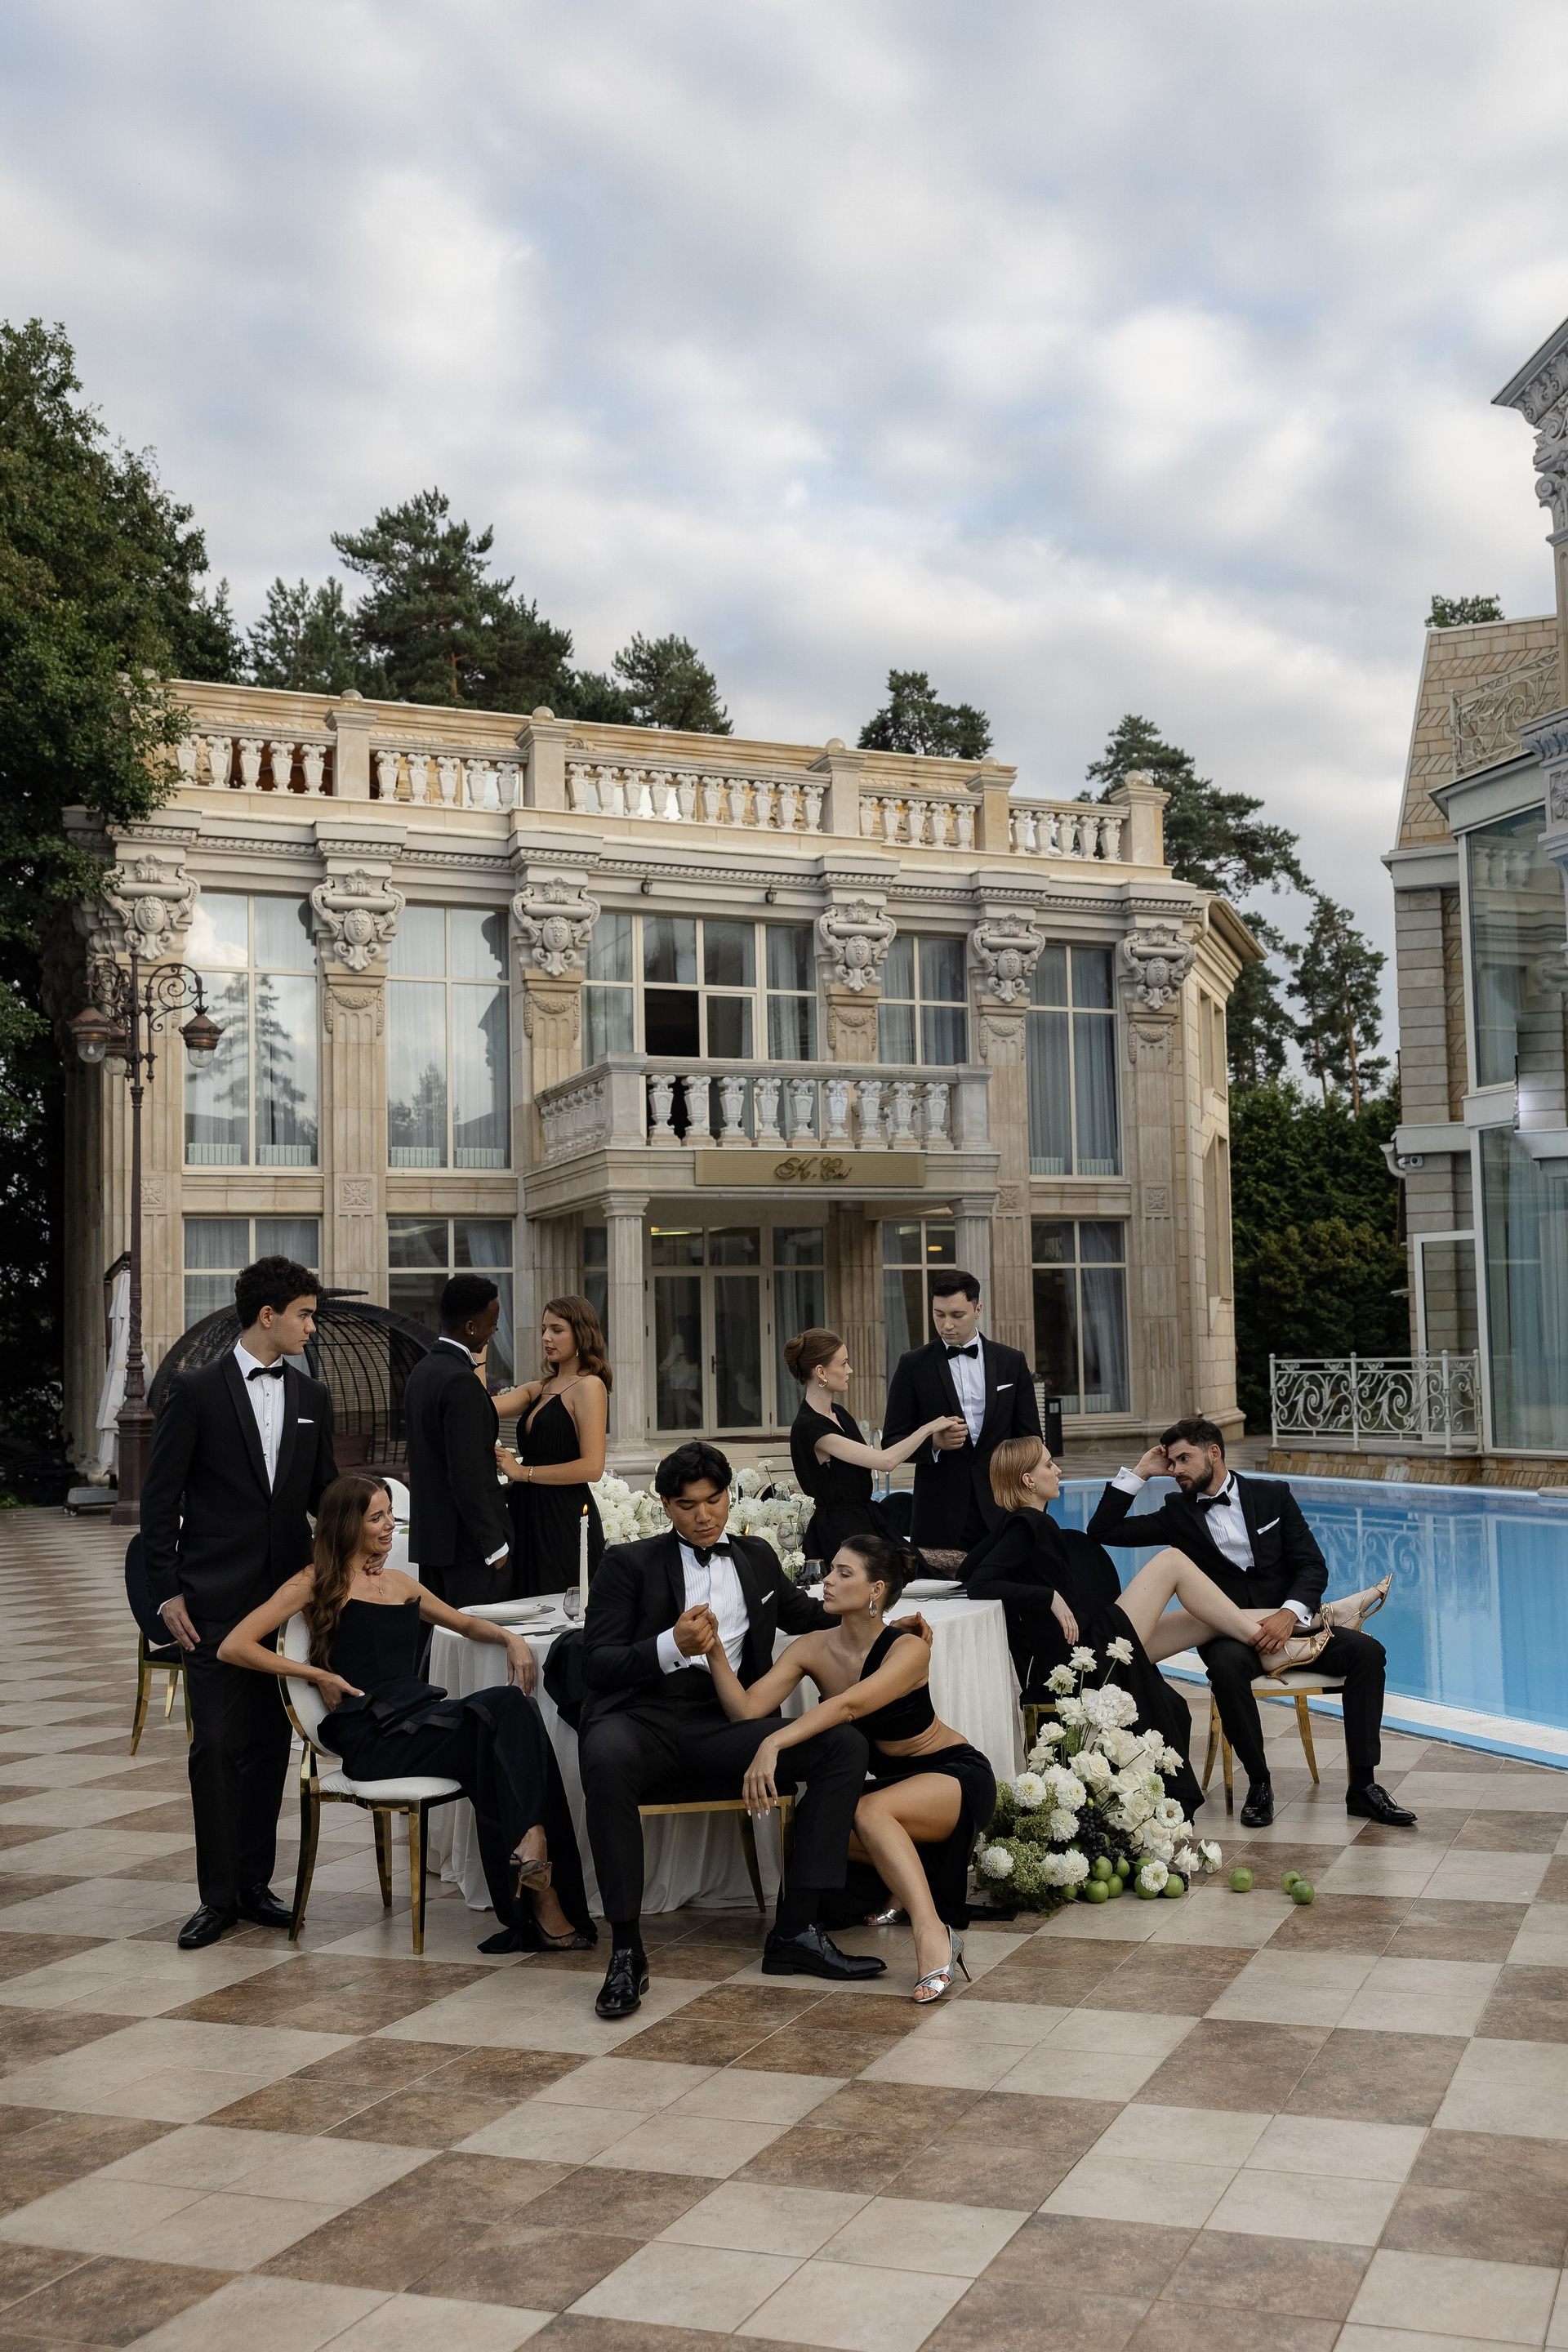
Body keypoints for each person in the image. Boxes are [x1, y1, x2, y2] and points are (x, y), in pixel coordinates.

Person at [218, 1473, 592, 1952]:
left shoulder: (398, 1583)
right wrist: (317, 1675)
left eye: (390, 1513)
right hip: (372, 1734)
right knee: (503, 1708)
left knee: (508, 1724)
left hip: (419, 1718)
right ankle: (537, 1869)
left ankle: (535, 1869)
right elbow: (234, 1646)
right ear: (347, 1525)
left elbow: (465, 1622)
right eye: (377, 1517)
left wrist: (510, 1638)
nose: (390, 1524)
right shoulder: (315, 1582)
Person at [577, 1440, 885, 2020]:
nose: (704, 1516)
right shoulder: (628, 1563)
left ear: (729, 1496)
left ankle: (796, 1931)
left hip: (727, 1723)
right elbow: (595, 1664)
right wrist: (670, 1644)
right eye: (687, 1505)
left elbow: (808, 1613)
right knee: (605, 1752)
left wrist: (882, 1618)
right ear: (666, 1506)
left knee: (843, 1745)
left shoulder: (757, 1557)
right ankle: (626, 1952)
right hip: (644, 1720)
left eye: (714, 1500)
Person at [697, 1530, 994, 2002]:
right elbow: (747, 1710)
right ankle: (905, 1884)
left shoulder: (908, 1648)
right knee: (817, 1824)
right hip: (892, 1788)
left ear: (876, 1589)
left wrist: (774, 1743)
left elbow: (849, 1707)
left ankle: (933, 1932)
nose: (827, 1582)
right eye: (831, 1571)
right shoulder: (812, 1648)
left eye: (843, 1573)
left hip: (953, 1776)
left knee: (867, 1812)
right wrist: (713, 1649)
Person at [140, 1254, 339, 1949]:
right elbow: (159, 1500)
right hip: (212, 1604)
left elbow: (323, 1494)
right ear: (268, 1315)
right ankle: (217, 1897)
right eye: (305, 1315)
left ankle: (255, 1886)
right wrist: (166, 1592)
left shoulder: (312, 1397)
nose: (311, 1328)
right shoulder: (196, 1391)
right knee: (217, 1746)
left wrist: (368, 1529)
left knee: (267, 1745)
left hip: (284, 1607)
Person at [1088, 1418, 1415, 1830]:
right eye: (1171, 1463)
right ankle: (1259, 1782)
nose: (1176, 1470)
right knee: (1224, 1667)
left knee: (1369, 1652)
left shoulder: (1272, 1495)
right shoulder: (1177, 1512)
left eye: (1184, 1459)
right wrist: (1140, 1473)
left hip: (1293, 1626)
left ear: (1214, 1452)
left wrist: (1288, 1614)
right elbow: (1103, 1530)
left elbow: (1312, 1565)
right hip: (1228, 1636)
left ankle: (1363, 1787)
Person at [964, 1434, 1297, 1819]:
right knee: (1172, 1562)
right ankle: (1282, 1643)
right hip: (1080, 1659)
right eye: (1048, 1464)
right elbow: (979, 1583)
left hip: (1083, 1649)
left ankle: (1312, 1622)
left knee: (1204, 1619)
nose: (1058, 1470)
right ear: (1027, 1480)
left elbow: (968, 1568)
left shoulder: (1018, 1523)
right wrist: (1048, 1597)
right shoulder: (1027, 1524)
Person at [880, 1270, 1040, 1554]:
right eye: (939, 1315)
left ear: (978, 1310)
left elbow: (1031, 1441)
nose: (947, 1325)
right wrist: (933, 1444)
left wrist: (1033, 1507)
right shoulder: (912, 1365)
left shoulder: (1011, 1361)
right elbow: (892, 1440)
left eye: (957, 1315)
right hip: (939, 1516)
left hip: (1003, 1510)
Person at [785, 1328, 966, 1561]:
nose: (850, 1370)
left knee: (952, 1561)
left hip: (866, 1523)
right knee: (942, 1565)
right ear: (821, 1372)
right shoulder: (809, 1426)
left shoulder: (839, 1413)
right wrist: (927, 1429)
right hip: (841, 1537)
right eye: (843, 1364)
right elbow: (885, 1461)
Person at [402, 1274, 511, 1610]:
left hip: (433, 1545)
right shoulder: (460, 1381)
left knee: (439, 1640)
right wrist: (494, 1546)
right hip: (467, 1549)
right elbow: (467, 1474)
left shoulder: (422, 1371)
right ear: (470, 1327)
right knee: (476, 1639)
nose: (495, 1330)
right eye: (492, 1323)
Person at [492, 1294, 609, 1598]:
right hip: (526, 1513)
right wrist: (477, 1348)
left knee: (561, 1605)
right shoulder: (539, 1388)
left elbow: (592, 1467)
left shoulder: (589, 1386)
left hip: (562, 1517)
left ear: (581, 1334)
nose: (546, 1337)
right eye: (544, 1329)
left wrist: (522, 1473)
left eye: (557, 1330)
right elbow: (481, 1407)